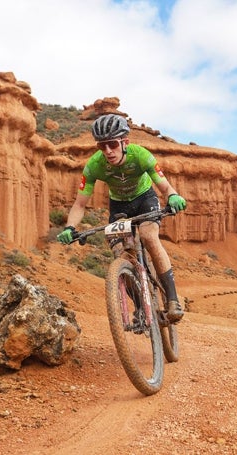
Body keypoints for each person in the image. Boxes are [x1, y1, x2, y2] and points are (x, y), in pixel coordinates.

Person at [57, 114, 187, 322]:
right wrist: (70, 227)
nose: (108, 151)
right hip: (119, 206)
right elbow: (79, 204)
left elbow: (164, 185)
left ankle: (172, 300)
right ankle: (141, 308)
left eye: (112, 144)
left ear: (124, 142)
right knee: (121, 255)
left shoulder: (141, 155)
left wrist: (172, 196)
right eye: (102, 146)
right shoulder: (94, 166)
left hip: (145, 198)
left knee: (148, 236)